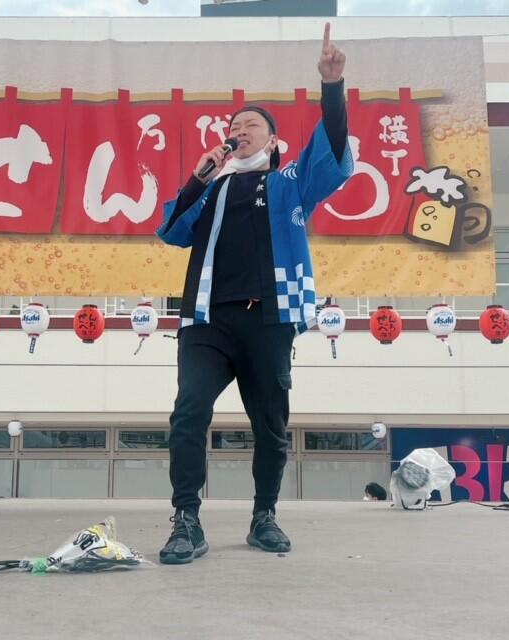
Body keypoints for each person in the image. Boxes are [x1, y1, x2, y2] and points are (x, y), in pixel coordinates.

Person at [156, 23, 352, 565]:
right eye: (233, 126)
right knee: (188, 412)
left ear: (272, 139)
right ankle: (186, 519)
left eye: (250, 125)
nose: (238, 131)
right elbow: (172, 230)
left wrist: (331, 86)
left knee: (270, 426)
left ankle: (264, 515)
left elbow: (333, 150)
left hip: (270, 318)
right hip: (207, 322)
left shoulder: (291, 182)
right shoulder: (212, 188)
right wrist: (197, 180)